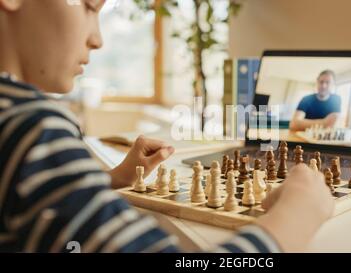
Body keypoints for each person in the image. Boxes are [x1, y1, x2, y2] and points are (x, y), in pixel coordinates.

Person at [0, 0, 334, 253]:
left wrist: (111, 178)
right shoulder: (32, 127)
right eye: (89, 6)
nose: (98, 39)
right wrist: (295, 217)